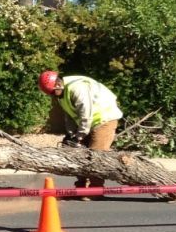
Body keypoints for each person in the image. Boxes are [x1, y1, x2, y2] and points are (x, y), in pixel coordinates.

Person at [38, 70, 122, 198]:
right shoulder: (61, 95)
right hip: (89, 122)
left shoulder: (77, 88)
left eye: (53, 92)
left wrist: (80, 135)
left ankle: (95, 190)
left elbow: (85, 113)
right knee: (78, 153)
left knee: (96, 155)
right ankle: (81, 187)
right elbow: (70, 116)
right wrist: (72, 135)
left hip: (104, 119)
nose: (53, 96)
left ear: (58, 84)